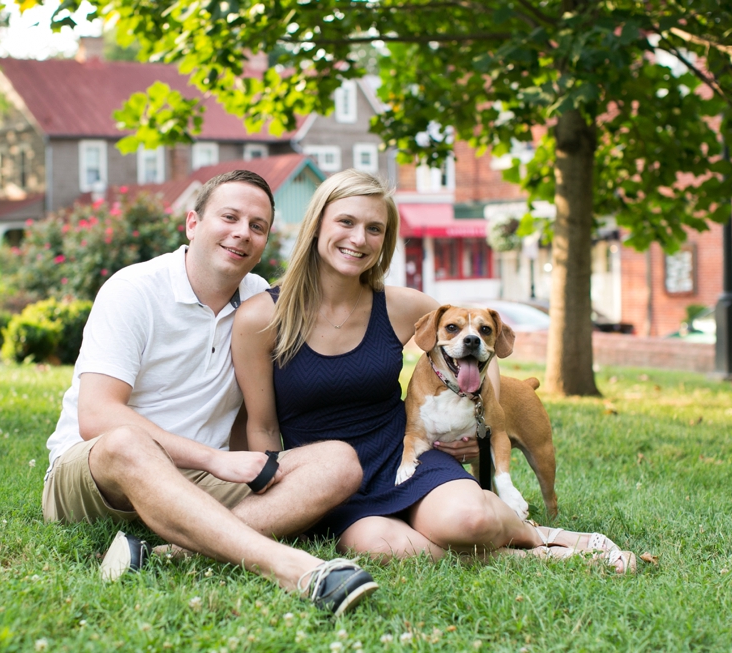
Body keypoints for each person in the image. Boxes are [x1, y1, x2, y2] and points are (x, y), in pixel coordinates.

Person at [232, 169, 636, 571]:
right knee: (386, 548)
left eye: (375, 229)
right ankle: (539, 560)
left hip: (406, 454)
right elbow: (264, 428)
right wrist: (281, 502)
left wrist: (478, 418)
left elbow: (477, 339)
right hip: (331, 482)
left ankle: (548, 536)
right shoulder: (261, 318)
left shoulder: (401, 306)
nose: (359, 239)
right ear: (317, 224)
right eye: (346, 222)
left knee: (470, 520)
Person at [42, 170, 380, 615]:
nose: (242, 233)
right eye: (229, 217)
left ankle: (165, 554)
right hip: (98, 474)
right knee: (128, 442)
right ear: (193, 224)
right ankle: (292, 568)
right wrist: (215, 459)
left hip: (200, 485)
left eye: (257, 226)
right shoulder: (134, 290)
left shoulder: (261, 300)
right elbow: (98, 416)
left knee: (338, 462)